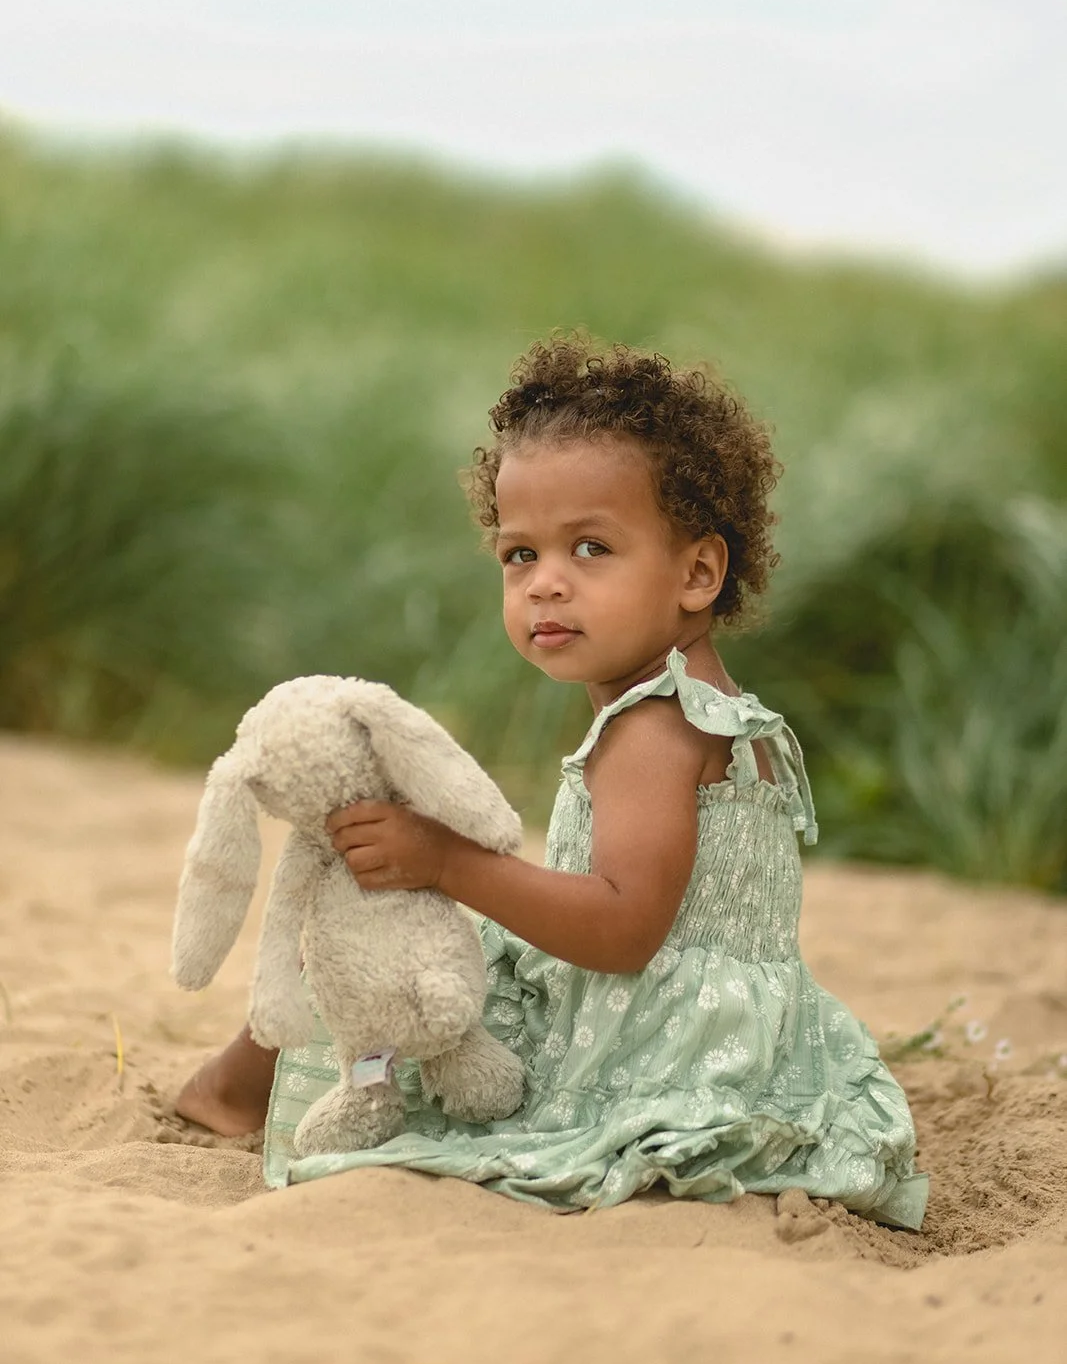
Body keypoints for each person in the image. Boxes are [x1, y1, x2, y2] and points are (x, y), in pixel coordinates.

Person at [176, 336, 928, 1228]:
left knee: (398, 956)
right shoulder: (697, 706)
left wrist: (446, 864)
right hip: (735, 1025)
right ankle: (236, 1085)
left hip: (656, 1043)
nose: (546, 586)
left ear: (697, 572)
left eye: (590, 548)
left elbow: (621, 930)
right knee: (405, 954)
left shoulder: (655, 728)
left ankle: (234, 1090)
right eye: (519, 555)